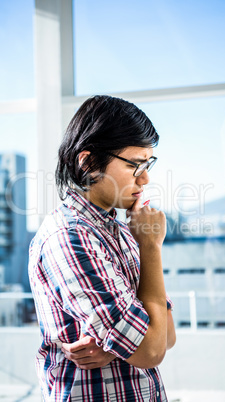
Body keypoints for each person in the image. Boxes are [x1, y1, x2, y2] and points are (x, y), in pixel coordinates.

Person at [28, 95, 176, 401]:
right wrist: (150, 247)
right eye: (135, 165)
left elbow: (165, 336)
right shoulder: (70, 237)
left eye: (147, 165)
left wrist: (115, 346)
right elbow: (150, 350)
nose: (145, 178)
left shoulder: (121, 230)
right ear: (90, 163)